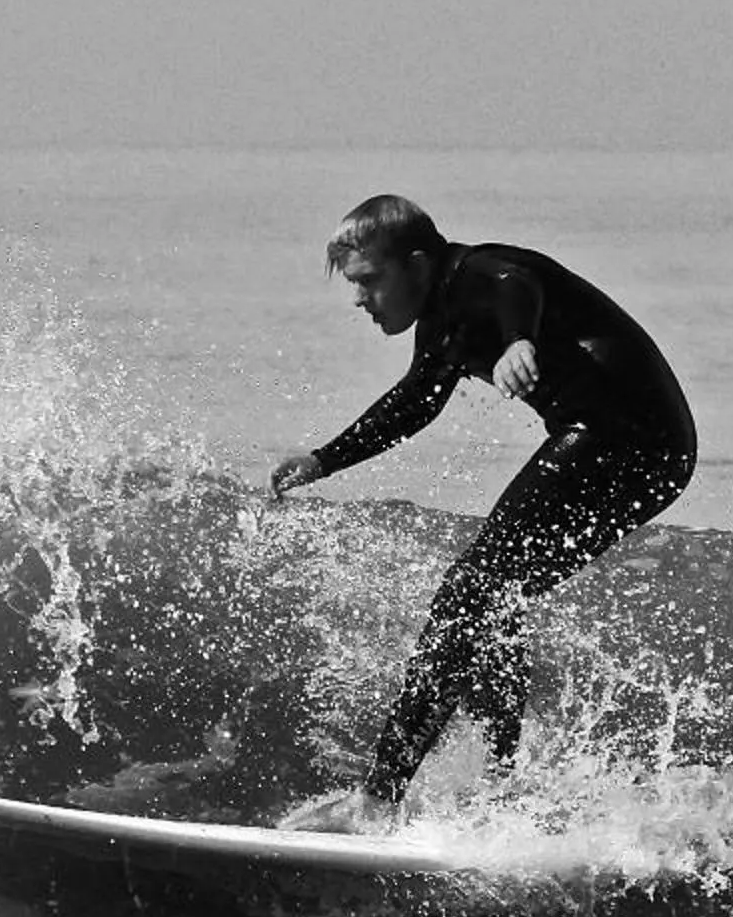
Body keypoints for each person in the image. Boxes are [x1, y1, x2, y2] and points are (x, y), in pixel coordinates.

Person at [271, 195, 697, 811]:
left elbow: (515, 284)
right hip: (651, 454)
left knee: (470, 593)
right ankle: (502, 787)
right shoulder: (442, 325)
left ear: (416, 265)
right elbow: (416, 403)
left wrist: (519, 341)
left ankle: (380, 796)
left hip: (624, 436)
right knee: (492, 599)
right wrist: (323, 459)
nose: (360, 299)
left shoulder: (475, 273)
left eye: (368, 280)